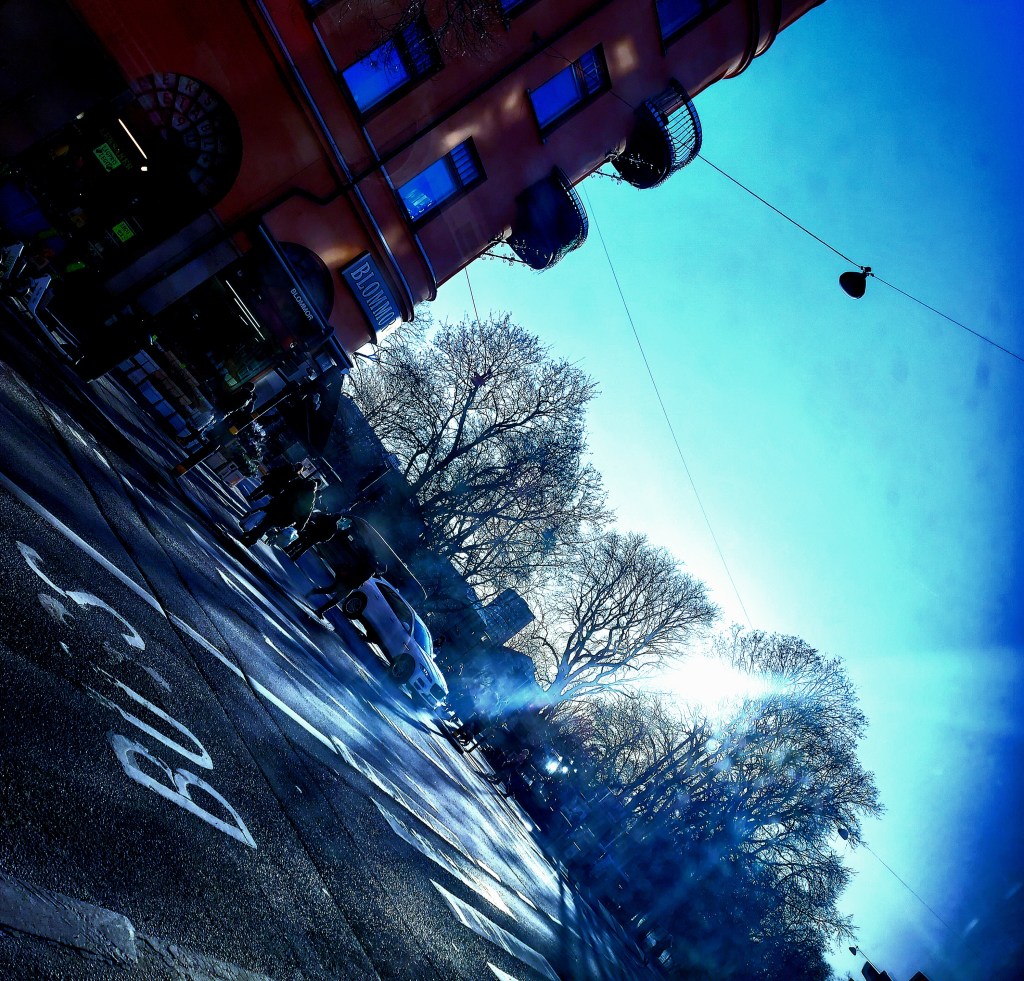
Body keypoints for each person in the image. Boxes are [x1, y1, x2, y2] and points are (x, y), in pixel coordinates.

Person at [239, 475, 318, 546]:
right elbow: (306, 515)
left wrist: (274, 503)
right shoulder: (311, 501)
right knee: (266, 525)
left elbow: (285, 498)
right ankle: (251, 535)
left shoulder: (298, 491)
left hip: (279, 511)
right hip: (288, 519)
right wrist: (300, 526)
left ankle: (252, 539)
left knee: (265, 524)